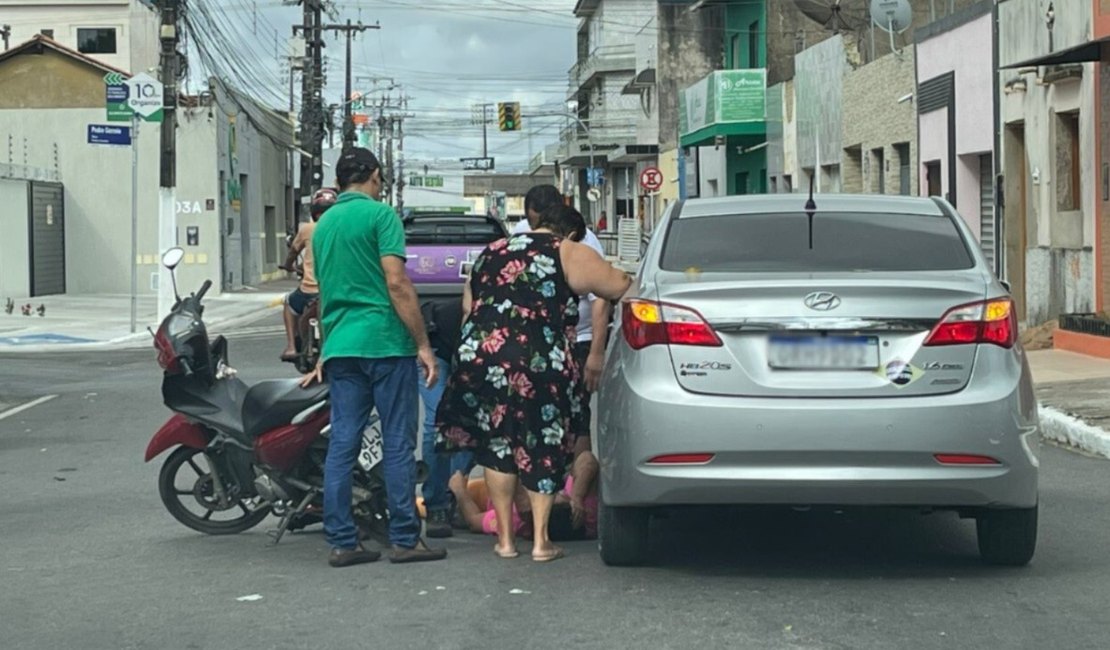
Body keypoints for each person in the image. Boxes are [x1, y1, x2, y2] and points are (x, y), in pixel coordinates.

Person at [436, 203, 631, 562]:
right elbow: (617, 286)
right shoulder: (568, 250)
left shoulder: (492, 251)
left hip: (483, 355)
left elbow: (468, 306)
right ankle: (541, 542)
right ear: (571, 233)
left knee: (499, 446)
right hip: (538, 358)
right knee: (543, 442)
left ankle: (506, 542)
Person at [303, 147, 447, 568]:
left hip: (342, 345)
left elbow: (323, 293)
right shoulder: (381, 217)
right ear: (375, 176)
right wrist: (422, 343)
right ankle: (405, 538)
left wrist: (325, 349)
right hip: (385, 342)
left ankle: (343, 541)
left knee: (343, 442)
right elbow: (397, 282)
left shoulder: (324, 225)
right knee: (398, 442)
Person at [513, 186, 611, 468]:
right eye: (534, 222)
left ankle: (580, 492)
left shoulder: (584, 241)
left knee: (578, 414)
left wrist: (595, 354)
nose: (540, 230)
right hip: (532, 341)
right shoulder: (520, 234)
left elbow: (601, 298)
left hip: (577, 340)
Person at [417, 295, 473, 539]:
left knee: (475, 421)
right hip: (435, 350)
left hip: (468, 360)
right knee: (437, 420)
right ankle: (436, 504)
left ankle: (454, 490)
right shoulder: (472, 307)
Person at [280, 188, 337, 362]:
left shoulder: (307, 229)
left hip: (308, 290)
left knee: (288, 304)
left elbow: (293, 252)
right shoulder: (339, 227)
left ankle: (290, 346)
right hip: (332, 289)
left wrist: (288, 266)